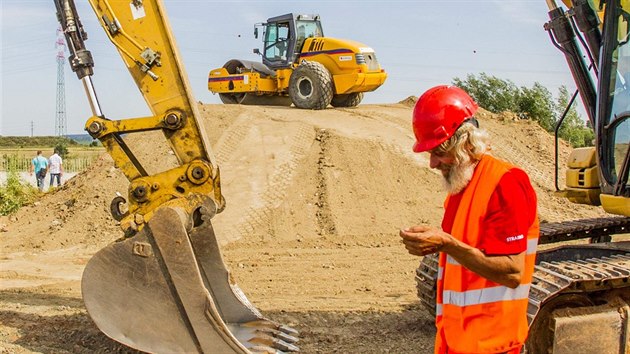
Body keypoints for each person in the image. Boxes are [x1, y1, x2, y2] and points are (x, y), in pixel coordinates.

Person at [399, 85, 539, 354]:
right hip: (458, 343)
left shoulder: (505, 183)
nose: (432, 163)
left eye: (438, 152)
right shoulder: (461, 188)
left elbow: (512, 272)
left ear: (465, 143)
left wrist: (447, 244)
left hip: (492, 346)